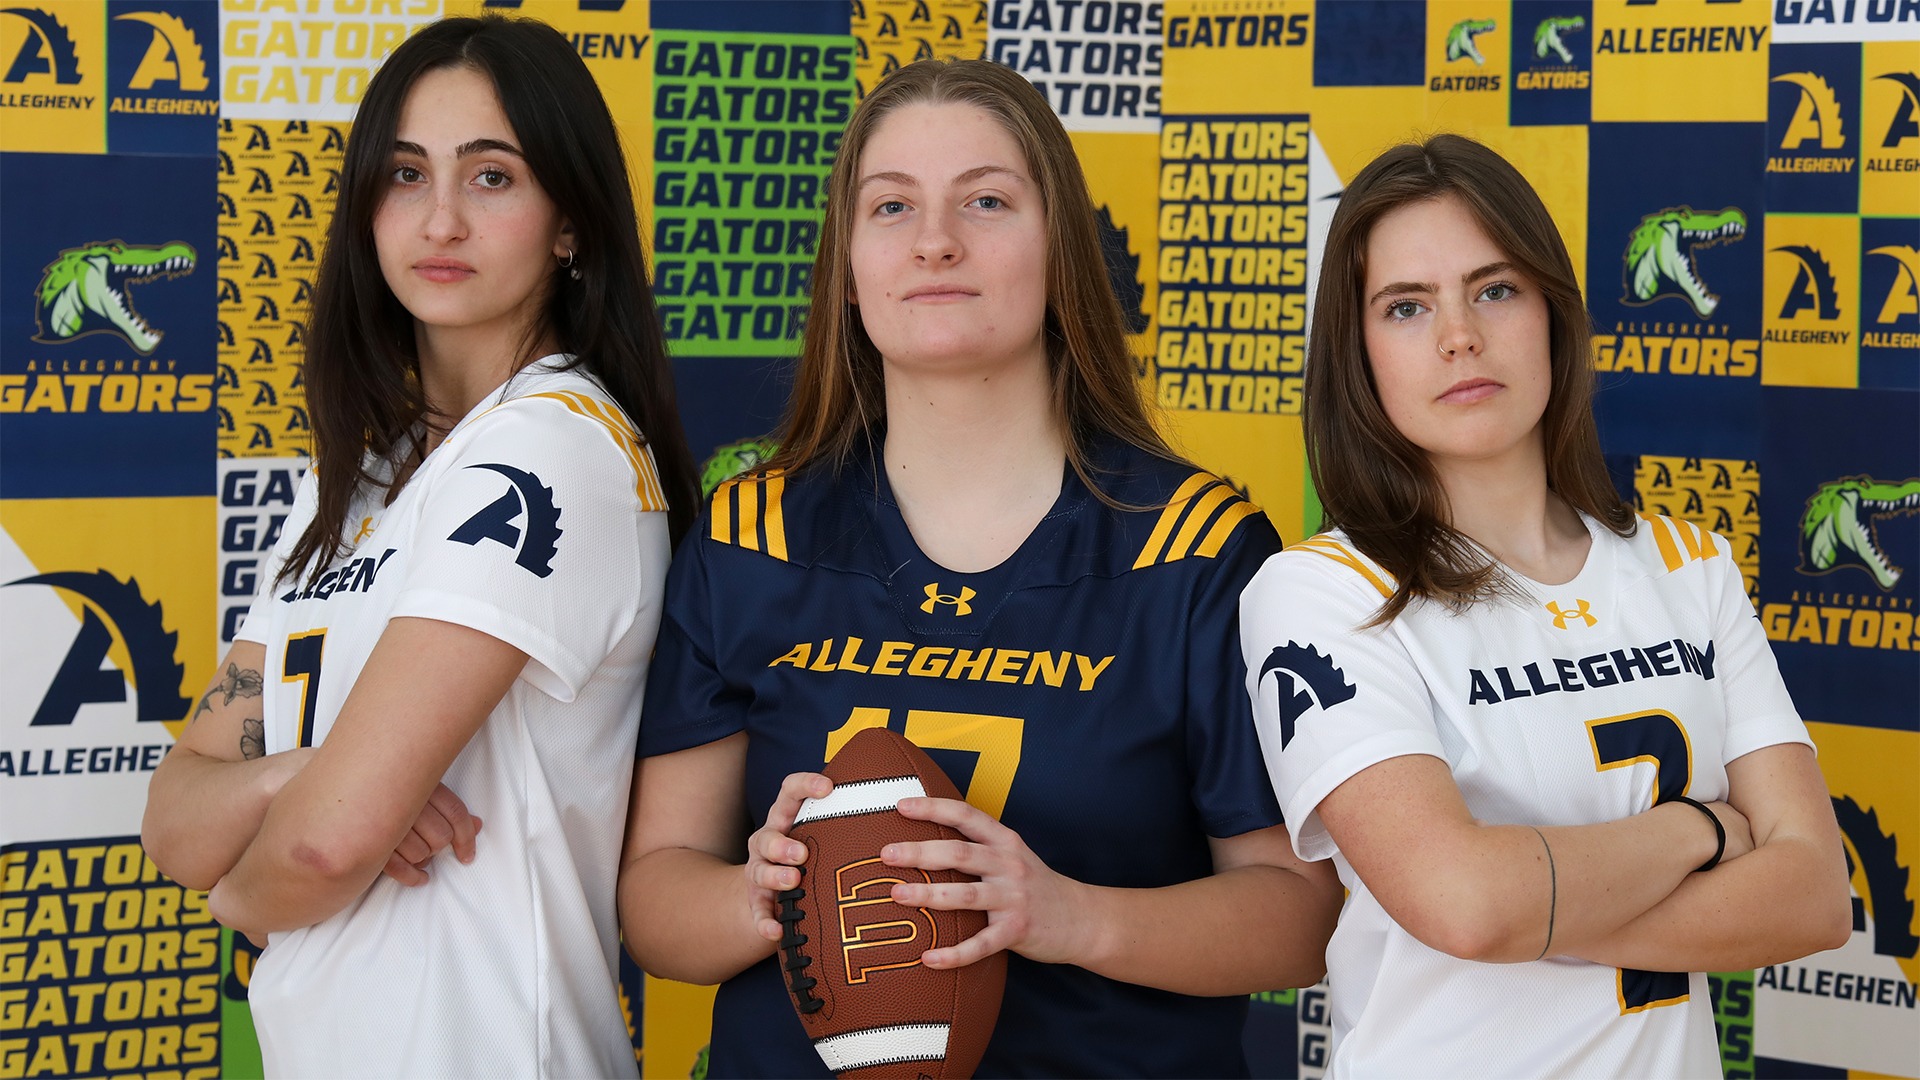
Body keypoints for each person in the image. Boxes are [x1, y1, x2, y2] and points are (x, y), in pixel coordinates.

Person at [617, 58, 1340, 1077]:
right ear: (849, 262)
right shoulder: (751, 535)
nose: (935, 241)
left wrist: (1065, 917)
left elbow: (1300, 916)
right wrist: (758, 893)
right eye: (892, 206)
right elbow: (655, 898)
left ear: (1061, 247)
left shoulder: (1195, 547)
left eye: (986, 201)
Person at [141, 15, 696, 1077]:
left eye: (491, 177)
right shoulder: (357, 481)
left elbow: (323, 847)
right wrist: (286, 781)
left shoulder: (551, 447)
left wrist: (235, 887)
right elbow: (176, 807)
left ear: (568, 220)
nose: (439, 218)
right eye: (404, 174)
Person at [1238, 133, 1851, 1077]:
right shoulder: (1319, 595)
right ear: (1357, 354)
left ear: (1553, 314)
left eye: (1495, 289)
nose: (1460, 336)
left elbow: (1814, 896)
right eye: (1407, 307)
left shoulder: (1691, 566)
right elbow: (1466, 907)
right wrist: (1709, 829)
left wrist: (1537, 906)